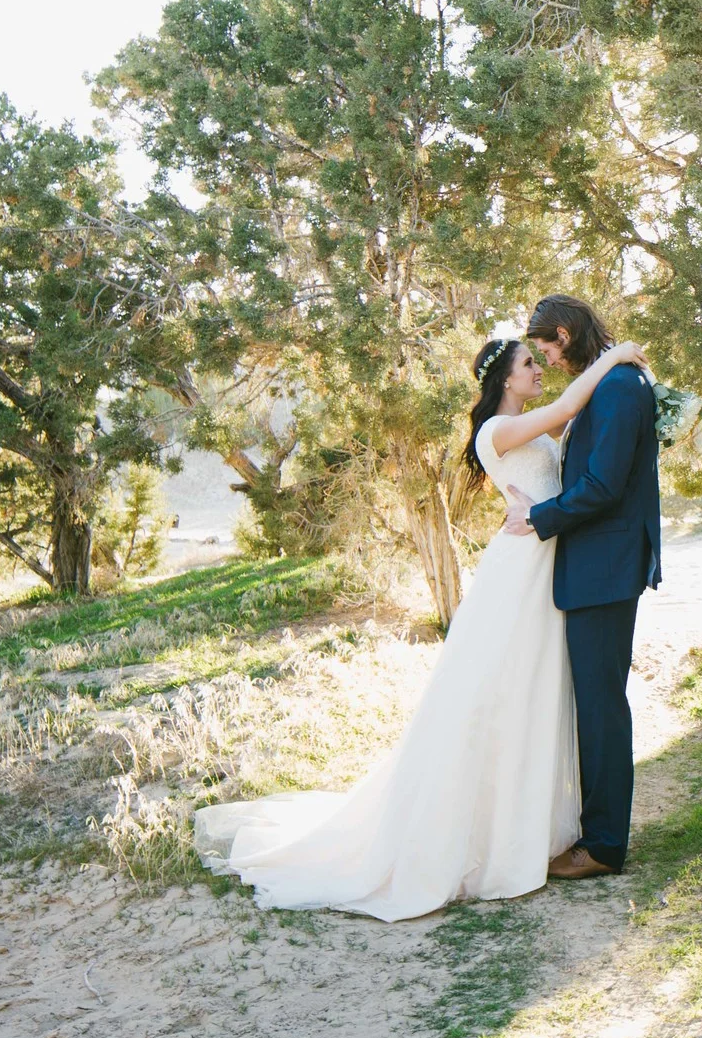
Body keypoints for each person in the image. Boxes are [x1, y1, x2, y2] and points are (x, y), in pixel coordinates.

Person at [190, 330, 646, 917]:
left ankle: (531, 827)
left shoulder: (531, 424)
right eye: (530, 363)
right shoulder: (498, 430)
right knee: (491, 694)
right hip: (520, 569)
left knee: (535, 694)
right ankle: (473, 833)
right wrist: (613, 358)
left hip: (548, 567)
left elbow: (582, 434)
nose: (539, 370)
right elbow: (567, 408)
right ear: (506, 378)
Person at [500, 292, 662, 880]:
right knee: (596, 702)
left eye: (545, 347)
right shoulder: (611, 383)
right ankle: (596, 832)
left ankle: (603, 847)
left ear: (565, 334)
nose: (546, 359)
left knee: (601, 708)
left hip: (605, 564)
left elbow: (601, 487)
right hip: (597, 563)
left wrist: (538, 520)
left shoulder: (619, 388)